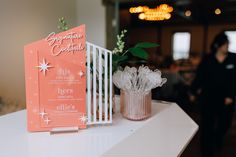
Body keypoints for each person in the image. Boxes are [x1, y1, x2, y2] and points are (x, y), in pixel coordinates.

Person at [191, 31, 236, 157]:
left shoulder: (233, 58)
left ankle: (218, 137)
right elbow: (199, 77)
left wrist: (231, 96)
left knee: (225, 124)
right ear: (217, 45)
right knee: (207, 126)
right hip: (208, 97)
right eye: (226, 44)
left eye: (228, 44)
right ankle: (206, 151)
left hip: (227, 99)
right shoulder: (207, 59)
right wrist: (193, 91)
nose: (228, 46)